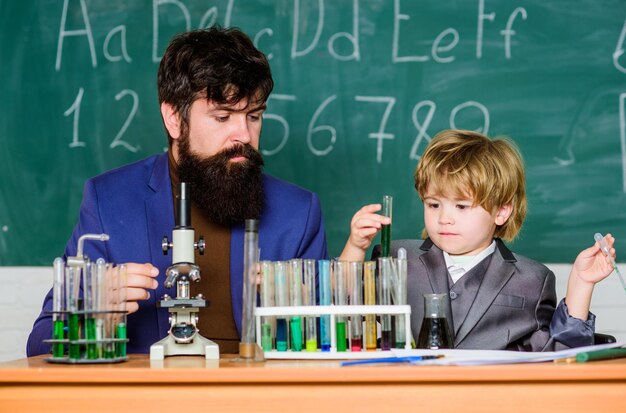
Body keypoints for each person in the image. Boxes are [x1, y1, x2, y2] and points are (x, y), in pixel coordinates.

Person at [27, 27, 328, 356]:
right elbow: (39, 345)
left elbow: (330, 347)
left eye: (253, 116)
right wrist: (95, 308)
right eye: (223, 116)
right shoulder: (109, 201)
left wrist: (309, 317)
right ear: (173, 117)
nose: (243, 133)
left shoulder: (298, 213)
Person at [340, 129, 615, 351]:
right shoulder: (397, 257)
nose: (444, 218)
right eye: (433, 205)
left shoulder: (533, 279)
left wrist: (581, 284)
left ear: (501, 211)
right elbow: (345, 309)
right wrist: (355, 248)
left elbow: (560, 354)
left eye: (461, 207)